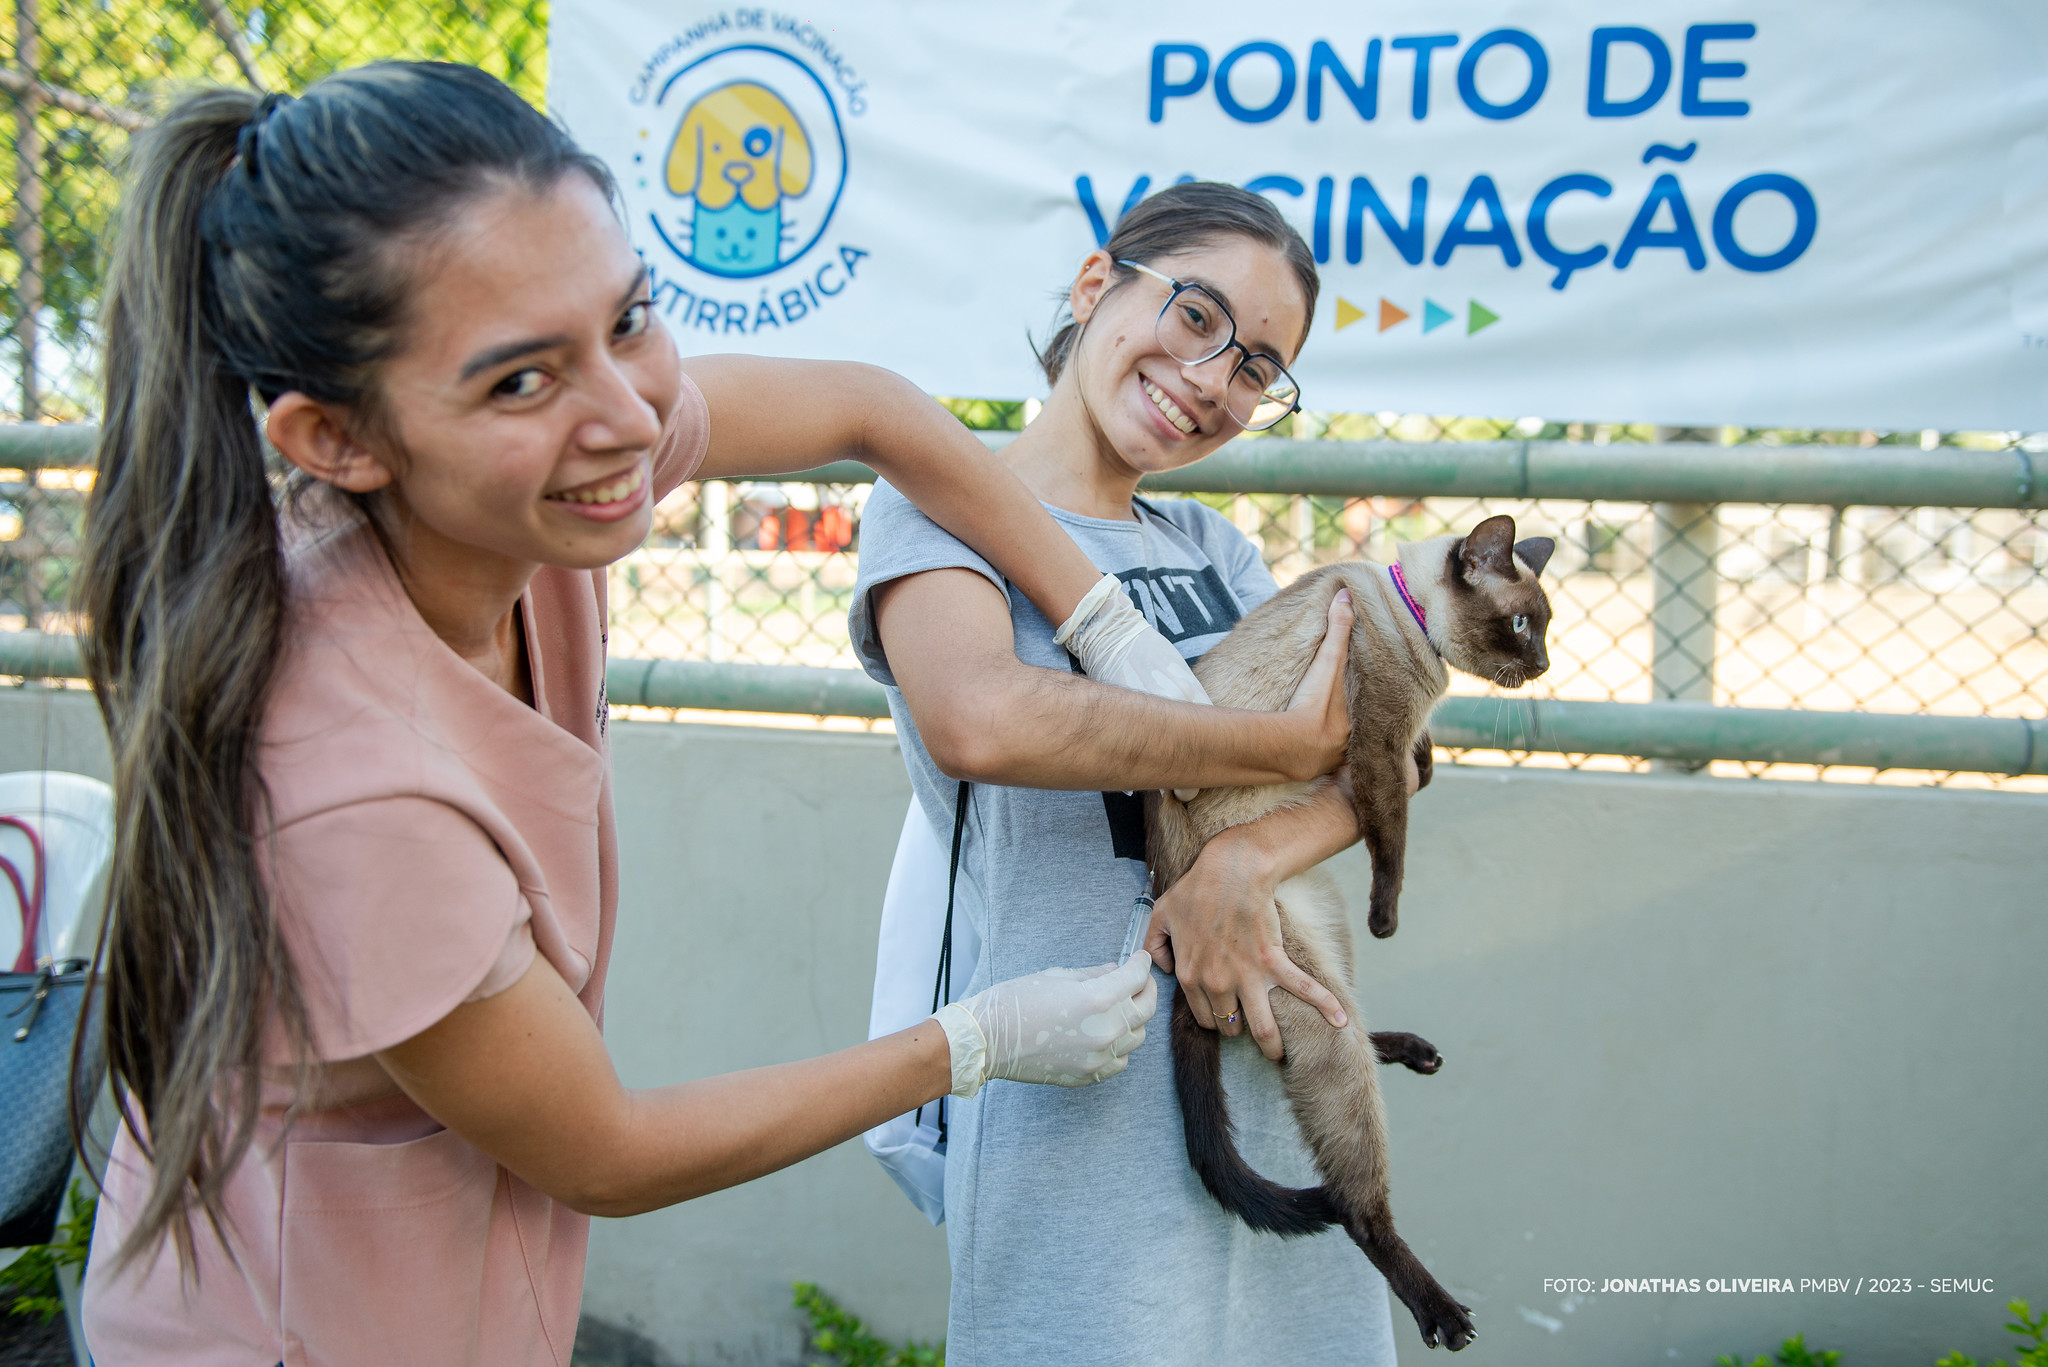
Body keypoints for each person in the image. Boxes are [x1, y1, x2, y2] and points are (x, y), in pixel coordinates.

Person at [69, 65, 1352, 1365]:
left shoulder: (542, 469)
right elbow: (606, 1149)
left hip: (459, 1282)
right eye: (522, 380)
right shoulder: (355, 785)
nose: (634, 420)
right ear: (336, 439)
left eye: (631, 318)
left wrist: (1103, 618)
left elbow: (875, 408)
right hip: (278, 1325)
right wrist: (975, 1038)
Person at [850, 181, 1401, 1365]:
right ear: (1098, 284)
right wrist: (1273, 749)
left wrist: (1237, 865)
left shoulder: (1211, 551)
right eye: (1197, 317)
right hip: (1073, 1076)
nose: (1212, 379)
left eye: (1256, 366)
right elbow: (985, 720)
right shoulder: (932, 513)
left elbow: (1379, 759)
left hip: (1260, 1053)